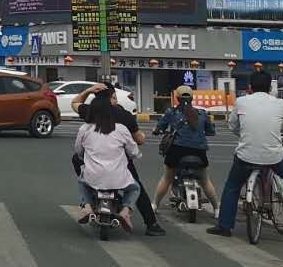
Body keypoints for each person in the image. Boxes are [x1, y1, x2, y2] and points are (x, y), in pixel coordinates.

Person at [208, 70, 283, 238]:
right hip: (274, 157)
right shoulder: (280, 104)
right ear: (270, 88)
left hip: (245, 156)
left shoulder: (241, 102)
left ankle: (224, 226)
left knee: (232, 186)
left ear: (250, 87)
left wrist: (244, 134)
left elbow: (232, 126)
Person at [72, 83, 164, 235]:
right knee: (136, 186)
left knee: (80, 166)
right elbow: (138, 141)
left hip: (93, 164)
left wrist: (88, 90)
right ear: (112, 97)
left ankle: (87, 203)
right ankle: (151, 223)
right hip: (121, 161)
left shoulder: (89, 112)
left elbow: (75, 103)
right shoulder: (124, 116)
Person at [74, 91, 142, 230]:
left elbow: (78, 152)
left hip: (93, 177)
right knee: (135, 188)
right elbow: (134, 152)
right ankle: (125, 212)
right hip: (118, 179)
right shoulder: (121, 129)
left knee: (82, 181)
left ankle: (87, 207)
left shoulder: (85, 129)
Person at [151, 85, 219, 213]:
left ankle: (154, 205)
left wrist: (156, 130)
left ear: (177, 98)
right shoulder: (202, 114)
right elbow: (211, 131)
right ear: (192, 98)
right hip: (199, 153)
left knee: (167, 178)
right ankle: (216, 209)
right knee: (205, 180)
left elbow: (159, 127)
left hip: (177, 151)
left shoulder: (171, 113)